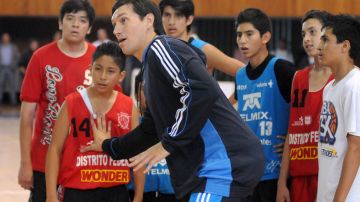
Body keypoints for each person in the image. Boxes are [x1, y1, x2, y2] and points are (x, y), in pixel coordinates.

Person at [82, 0, 265, 201]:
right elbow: (151, 130)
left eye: (123, 20)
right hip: (210, 170)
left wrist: (168, 143)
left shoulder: (161, 47)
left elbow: (201, 90)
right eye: (114, 23)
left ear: (148, 21)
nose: (116, 30)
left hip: (224, 163)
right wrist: (109, 146)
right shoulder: (149, 68)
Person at [45, 42, 144, 202]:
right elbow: (55, 148)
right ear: (90, 69)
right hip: (77, 191)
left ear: (121, 76)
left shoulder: (128, 106)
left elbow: (137, 154)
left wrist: (138, 196)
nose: (103, 76)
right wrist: (51, 195)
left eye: (110, 71)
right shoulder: (71, 103)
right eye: (98, 69)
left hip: (115, 190)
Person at [18, 1, 96, 201]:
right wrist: (25, 163)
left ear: (90, 27)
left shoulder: (98, 60)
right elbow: (27, 115)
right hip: (43, 159)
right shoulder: (40, 58)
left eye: (82, 20)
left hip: (83, 159)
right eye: (70, 18)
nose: (75, 24)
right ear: (60, 24)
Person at [233, 8, 297, 202]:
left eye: (249, 34)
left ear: (265, 37)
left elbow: (306, 107)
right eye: (239, 35)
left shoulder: (282, 69)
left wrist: (292, 141)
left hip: (276, 175)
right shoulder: (240, 75)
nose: (242, 40)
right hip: (248, 174)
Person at [276, 10, 333, 202]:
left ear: (327, 34)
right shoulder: (298, 78)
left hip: (329, 176)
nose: (307, 39)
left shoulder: (344, 79)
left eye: (312, 32)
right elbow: (291, 133)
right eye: (303, 35)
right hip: (299, 178)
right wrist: (282, 183)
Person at [317, 14, 360, 202]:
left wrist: (339, 199)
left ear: (345, 46)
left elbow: (356, 146)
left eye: (326, 40)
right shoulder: (329, 88)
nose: (319, 46)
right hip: (327, 192)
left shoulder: (355, 85)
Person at [159, 0, 244, 76]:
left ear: (189, 19)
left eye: (178, 16)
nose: (171, 22)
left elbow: (248, 72)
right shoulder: (157, 48)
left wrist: (235, 94)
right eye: (167, 15)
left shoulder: (203, 49)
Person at [0, 32, 20, 105]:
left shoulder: (13, 47)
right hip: (2, 68)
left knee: (12, 85)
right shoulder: (0, 47)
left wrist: (14, 65)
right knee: (0, 85)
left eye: (7, 38)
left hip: (10, 68)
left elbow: (17, 57)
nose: (5, 39)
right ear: (2, 39)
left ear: (9, 39)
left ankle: (13, 101)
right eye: (4, 38)